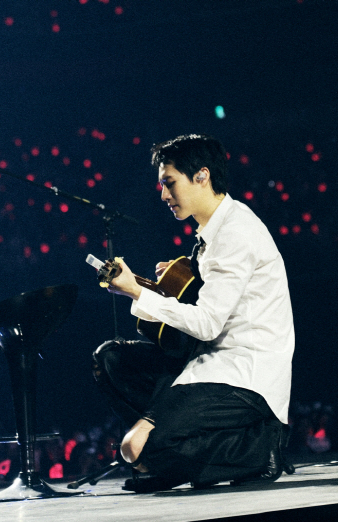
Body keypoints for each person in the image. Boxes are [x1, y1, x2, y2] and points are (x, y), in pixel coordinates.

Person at [92, 133, 295, 492]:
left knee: (137, 449)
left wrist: (137, 290)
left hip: (244, 376)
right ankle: (169, 453)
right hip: (206, 362)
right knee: (110, 360)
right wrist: (152, 287)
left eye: (169, 183)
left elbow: (208, 323)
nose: (163, 195)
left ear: (202, 176)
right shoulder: (209, 233)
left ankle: (259, 447)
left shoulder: (236, 231)